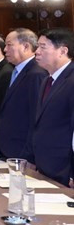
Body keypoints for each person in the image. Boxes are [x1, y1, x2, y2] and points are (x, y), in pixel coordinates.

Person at [25, 28, 74, 186]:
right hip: (45, 165)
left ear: (62, 51)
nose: (36, 52)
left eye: (42, 47)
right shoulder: (47, 80)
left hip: (64, 169)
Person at [0, 29, 46, 160]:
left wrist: (29, 155)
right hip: (9, 147)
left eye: (9, 45)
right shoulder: (16, 70)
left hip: (23, 151)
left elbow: (35, 116)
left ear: (26, 46)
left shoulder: (36, 73)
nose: (5, 49)